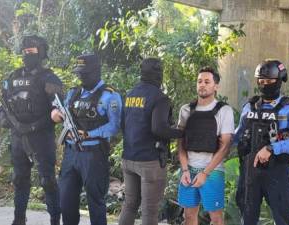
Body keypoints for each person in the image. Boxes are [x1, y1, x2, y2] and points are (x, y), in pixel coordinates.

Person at [51, 53, 122, 225]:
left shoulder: (110, 95)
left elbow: (114, 126)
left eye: (85, 73)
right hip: (70, 153)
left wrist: (89, 134)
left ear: (97, 71)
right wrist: (56, 115)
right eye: (79, 73)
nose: (81, 77)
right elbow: (56, 112)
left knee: (96, 204)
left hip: (94, 155)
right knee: (66, 202)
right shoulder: (73, 93)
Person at [234, 60, 289, 225]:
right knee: (247, 218)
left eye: (269, 81)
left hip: (277, 172)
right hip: (249, 172)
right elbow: (237, 135)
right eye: (261, 81)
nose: (264, 85)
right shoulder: (249, 108)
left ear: (280, 80)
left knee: (283, 219)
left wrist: (272, 148)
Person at [0, 35, 62, 225]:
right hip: (18, 137)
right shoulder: (13, 77)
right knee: (19, 180)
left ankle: (54, 220)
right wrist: (5, 119)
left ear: (41, 53)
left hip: (41, 137)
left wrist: (53, 116)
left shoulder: (49, 78)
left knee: (48, 181)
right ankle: (19, 219)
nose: (28, 54)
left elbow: (58, 108)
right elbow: (3, 106)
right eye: (25, 51)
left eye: (32, 51)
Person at [119, 58, 183, 225]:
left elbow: (122, 125)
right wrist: (182, 133)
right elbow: (159, 129)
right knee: (150, 210)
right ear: (159, 74)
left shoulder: (130, 94)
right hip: (149, 162)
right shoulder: (160, 98)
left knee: (130, 205)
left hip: (128, 158)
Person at [177, 66, 234, 225]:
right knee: (188, 216)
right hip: (189, 169)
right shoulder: (186, 109)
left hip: (213, 171)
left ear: (215, 86)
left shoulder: (224, 110)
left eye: (207, 82)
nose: (202, 84)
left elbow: (225, 147)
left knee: (215, 218)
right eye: (199, 81)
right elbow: (180, 143)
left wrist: (205, 173)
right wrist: (185, 169)